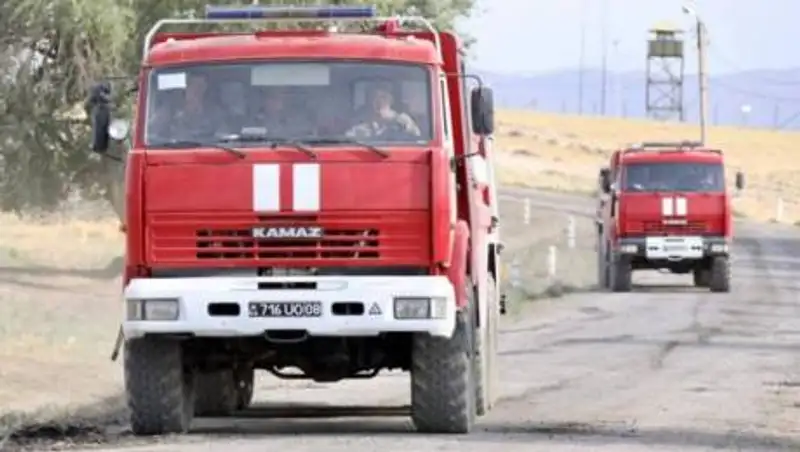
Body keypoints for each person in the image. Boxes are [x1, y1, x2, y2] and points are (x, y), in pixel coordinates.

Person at [346, 84, 421, 139]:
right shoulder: (360, 122)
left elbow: (418, 141)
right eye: (374, 98)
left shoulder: (403, 120)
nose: (378, 101)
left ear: (390, 100)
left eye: (383, 97)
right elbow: (347, 141)